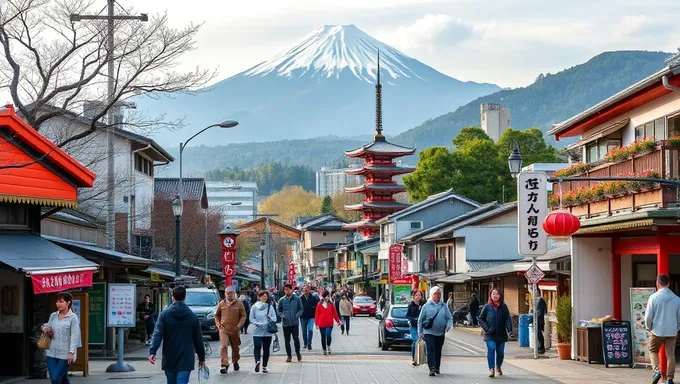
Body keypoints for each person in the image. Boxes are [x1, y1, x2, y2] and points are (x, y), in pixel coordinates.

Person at [149, 286, 206, 384]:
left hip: (169, 355)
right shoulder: (192, 316)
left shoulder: (164, 315)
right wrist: (201, 357)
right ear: (185, 298)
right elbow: (198, 339)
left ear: (173, 298)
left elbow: (157, 334)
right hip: (186, 357)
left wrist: (153, 351)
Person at [645, 274, 680, 384]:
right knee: (670, 355)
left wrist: (648, 326)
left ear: (657, 284)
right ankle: (670, 379)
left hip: (657, 331)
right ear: (668, 284)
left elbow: (648, 315)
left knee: (653, 350)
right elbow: (679, 316)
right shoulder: (677, 299)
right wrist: (677, 327)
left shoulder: (653, 297)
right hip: (672, 331)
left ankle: (656, 371)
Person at [43, 291, 80, 384]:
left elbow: (74, 336)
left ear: (68, 303)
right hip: (51, 352)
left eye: (61, 302)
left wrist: (71, 352)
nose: (58, 304)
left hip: (65, 354)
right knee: (62, 379)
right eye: (57, 302)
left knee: (55, 379)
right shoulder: (53, 315)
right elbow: (46, 325)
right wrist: (45, 329)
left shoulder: (73, 318)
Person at [418, 286, 453, 377]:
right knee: (431, 349)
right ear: (431, 295)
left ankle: (437, 367)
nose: (437, 296)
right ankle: (432, 368)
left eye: (439, 294)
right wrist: (420, 332)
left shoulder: (444, 306)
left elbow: (449, 318)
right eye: (435, 294)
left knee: (438, 350)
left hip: (441, 333)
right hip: (429, 332)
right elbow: (420, 320)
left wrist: (448, 326)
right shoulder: (426, 306)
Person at [479, 287, 512, 378]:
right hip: (490, 334)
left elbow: (507, 319)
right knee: (491, 349)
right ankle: (491, 369)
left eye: (497, 294)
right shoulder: (487, 307)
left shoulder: (503, 306)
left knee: (500, 352)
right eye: (493, 294)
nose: (495, 295)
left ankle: (498, 366)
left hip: (501, 334)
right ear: (490, 295)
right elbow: (481, 319)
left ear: (500, 295)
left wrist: (509, 330)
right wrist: (487, 328)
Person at [214, 287, 246, 374]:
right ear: (225, 294)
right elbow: (217, 316)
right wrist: (218, 324)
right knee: (223, 346)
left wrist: (239, 326)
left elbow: (243, 316)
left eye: (230, 293)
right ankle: (224, 365)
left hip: (235, 329)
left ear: (234, 293)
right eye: (227, 293)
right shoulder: (221, 304)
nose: (229, 294)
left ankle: (235, 361)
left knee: (235, 347)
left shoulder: (239, 304)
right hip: (223, 329)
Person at [249, 290, 277, 373]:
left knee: (266, 349)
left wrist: (269, 318)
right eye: (262, 296)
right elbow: (251, 318)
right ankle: (258, 361)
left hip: (267, 331)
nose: (264, 298)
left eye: (266, 296)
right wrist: (258, 323)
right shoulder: (254, 307)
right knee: (257, 346)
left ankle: (264, 365)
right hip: (257, 330)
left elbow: (275, 318)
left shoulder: (270, 307)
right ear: (258, 297)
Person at [277, 283, 304, 363]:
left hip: (294, 323)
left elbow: (301, 309)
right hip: (285, 323)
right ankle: (289, 356)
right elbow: (279, 311)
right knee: (287, 340)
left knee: (296, 339)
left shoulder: (297, 299)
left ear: (291, 289)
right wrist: (283, 316)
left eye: (288, 289)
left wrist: (297, 315)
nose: (286, 291)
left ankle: (298, 352)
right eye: (285, 289)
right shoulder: (281, 300)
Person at [315, 290, 341, 355]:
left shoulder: (331, 304)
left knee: (328, 334)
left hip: (329, 323)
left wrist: (338, 321)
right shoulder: (319, 304)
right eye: (326, 296)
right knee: (323, 336)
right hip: (321, 323)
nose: (327, 297)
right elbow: (317, 314)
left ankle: (328, 346)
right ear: (323, 297)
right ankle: (324, 349)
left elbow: (334, 313)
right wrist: (316, 323)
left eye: (328, 296)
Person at [406, 290, 424, 366]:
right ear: (413, 296)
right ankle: (414, 358)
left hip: (421, 326)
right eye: (416, 295)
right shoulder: (411, 305)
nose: (418, 297)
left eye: (419, 295)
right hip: (413, 325)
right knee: (415, 340)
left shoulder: (423, 305)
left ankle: (421, 358)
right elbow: (407, 315)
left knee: (421, 342)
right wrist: (412, 320)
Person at [299, 285, 319, 350]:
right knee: (304, 331)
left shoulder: (313, 297)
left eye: (307, 290)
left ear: (309, 290)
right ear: (302, 291)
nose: (305, 291)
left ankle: (309, 343)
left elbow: (317, 306)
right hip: (303, 317)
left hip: (311, 317)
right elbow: (298, 307)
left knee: (310, 329)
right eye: (304, 290)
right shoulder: (300, 298)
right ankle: (305, 343)